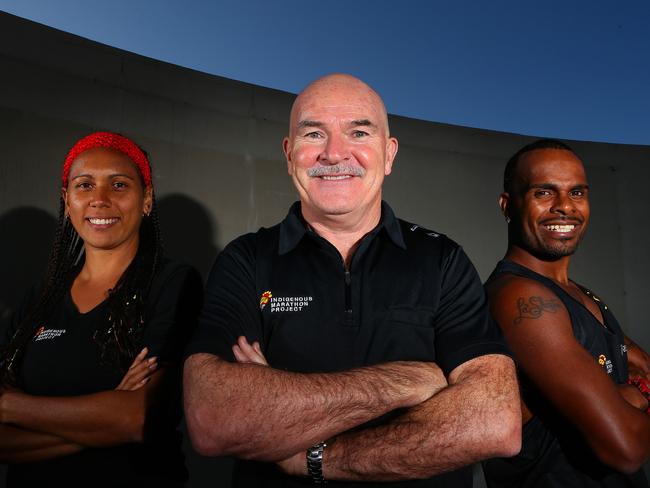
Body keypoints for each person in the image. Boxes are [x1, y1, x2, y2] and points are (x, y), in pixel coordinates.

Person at [183, 73, 521, 487]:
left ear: (389, 153)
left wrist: (317, 456)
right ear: (290, 155)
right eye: (313, 134)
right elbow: (215, 418)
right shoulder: (246, 260)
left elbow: (494, 421)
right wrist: (409, 381)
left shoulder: (442, 260)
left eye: (358, 131)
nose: (334, 153)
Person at [0, 132, 202, 487]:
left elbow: (136, 419)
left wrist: (10, 406)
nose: (100, 200)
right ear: (67, 201)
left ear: (147, 200)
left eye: (119, 185)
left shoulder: (172, 283)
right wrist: (106, 414)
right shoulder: (39, 300)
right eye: (84, 185)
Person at [483, 139, 650, 487]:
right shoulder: (520, 298)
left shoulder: (579, 293)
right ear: (507, 205)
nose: (564, 207)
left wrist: (634, 395)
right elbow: (625, 446)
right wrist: (630, 395)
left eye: (577, 193)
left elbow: (642, 367)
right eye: (544, 193)